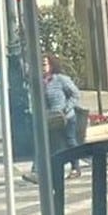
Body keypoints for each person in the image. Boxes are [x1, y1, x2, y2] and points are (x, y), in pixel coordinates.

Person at [22, 54, 82, 184]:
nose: (42, 67)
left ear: (51, 65)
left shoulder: (60, 79)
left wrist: (66, 108)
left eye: (44, 64)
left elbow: (75, 94)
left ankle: (75, 167)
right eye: (40, 65)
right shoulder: (37, 82)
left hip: (65, 117)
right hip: (48, 119)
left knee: (69, 141)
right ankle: (36, 172)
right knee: (42, 143)